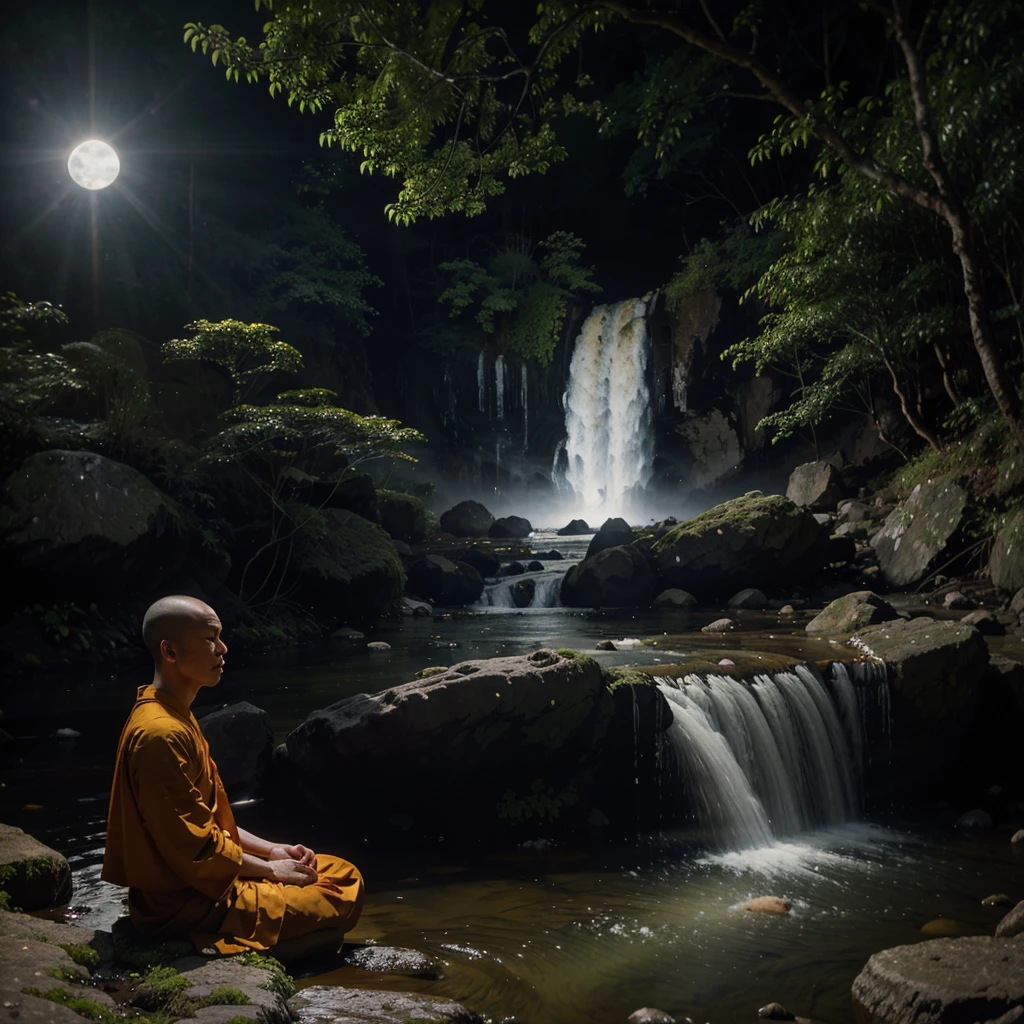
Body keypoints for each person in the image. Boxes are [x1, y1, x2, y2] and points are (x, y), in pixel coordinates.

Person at [102, 595, 363, 958]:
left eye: (220, 637)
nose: (223, 649)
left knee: (340, 871)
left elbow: (210, 825)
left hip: (207, 881)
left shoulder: (176, 716)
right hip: (185, 902)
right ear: (170, 651)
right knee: (336, 892)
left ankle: (305, 939)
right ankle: (249, 946)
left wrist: (272, 850)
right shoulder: (160, 734)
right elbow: (197, 850)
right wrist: (272, 872)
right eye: (211, 638)